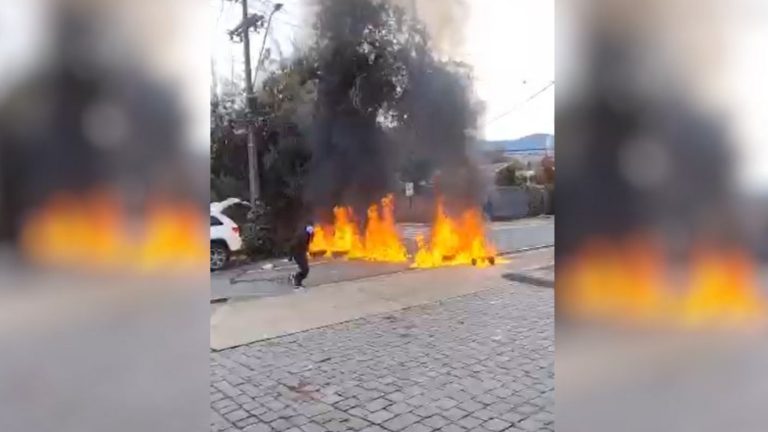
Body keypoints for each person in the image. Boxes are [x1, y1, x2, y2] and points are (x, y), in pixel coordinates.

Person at [290, 222, 314, 289]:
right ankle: (297, 282)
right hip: (298, 254)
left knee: (305, 269)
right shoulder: (302, 235)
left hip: (301, 253)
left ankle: (296, 279)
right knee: (305, 269)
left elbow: (306, 245)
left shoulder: (308, 235)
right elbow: (293, 245)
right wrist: (291, 255)